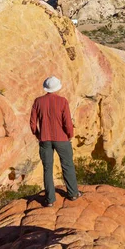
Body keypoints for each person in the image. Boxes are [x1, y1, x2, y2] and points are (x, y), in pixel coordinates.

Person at [30, 76, 81, 207]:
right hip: (62, 138)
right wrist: (70, 135)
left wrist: (37, 134)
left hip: (45, 138)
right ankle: (73, 193)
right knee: (67, 165)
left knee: (47, 169)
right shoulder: (62, 101)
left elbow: (32, 122)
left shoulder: (38, 101)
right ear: (58, 87)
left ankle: (50, 200)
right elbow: (67, 122)